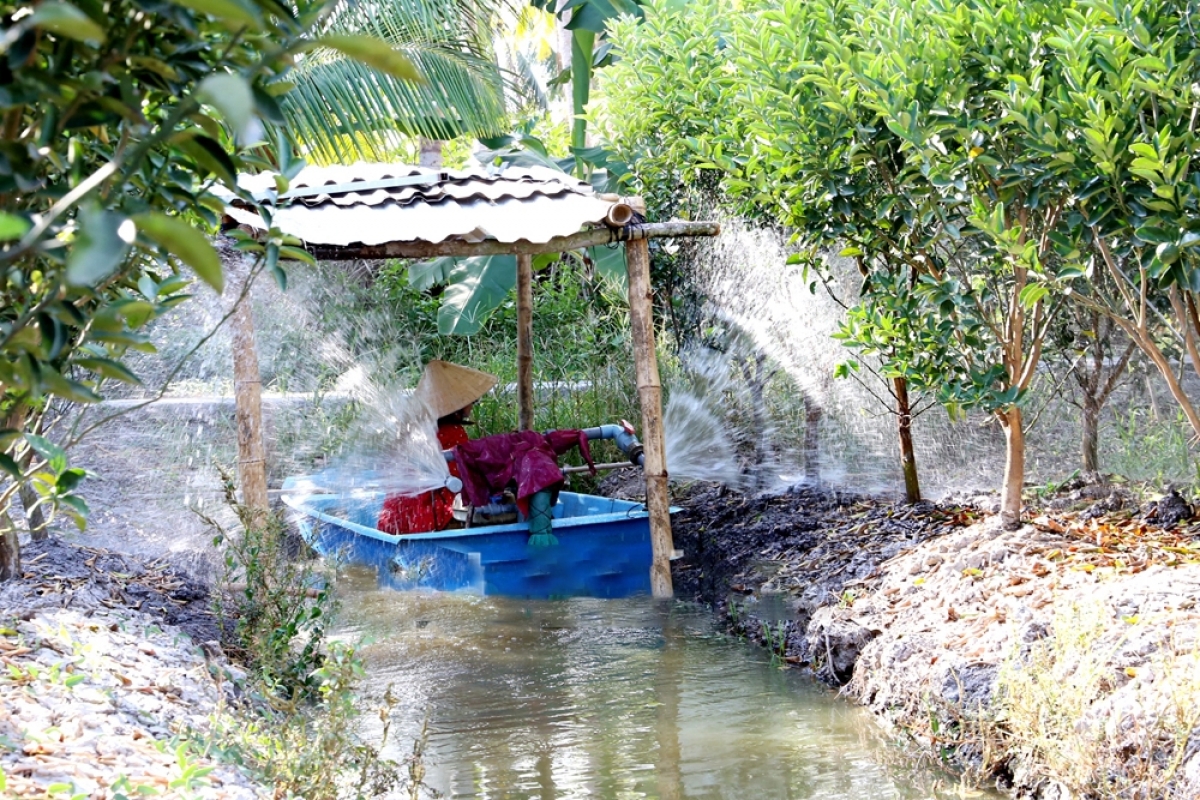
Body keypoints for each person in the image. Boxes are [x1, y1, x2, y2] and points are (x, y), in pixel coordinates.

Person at [377, 360, 497, 535]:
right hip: (428, 513)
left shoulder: (412, 430)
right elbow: (459, 478)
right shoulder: (454, 433)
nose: (472, 405)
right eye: (472, 401)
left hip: (396, 515)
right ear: (459, 404)